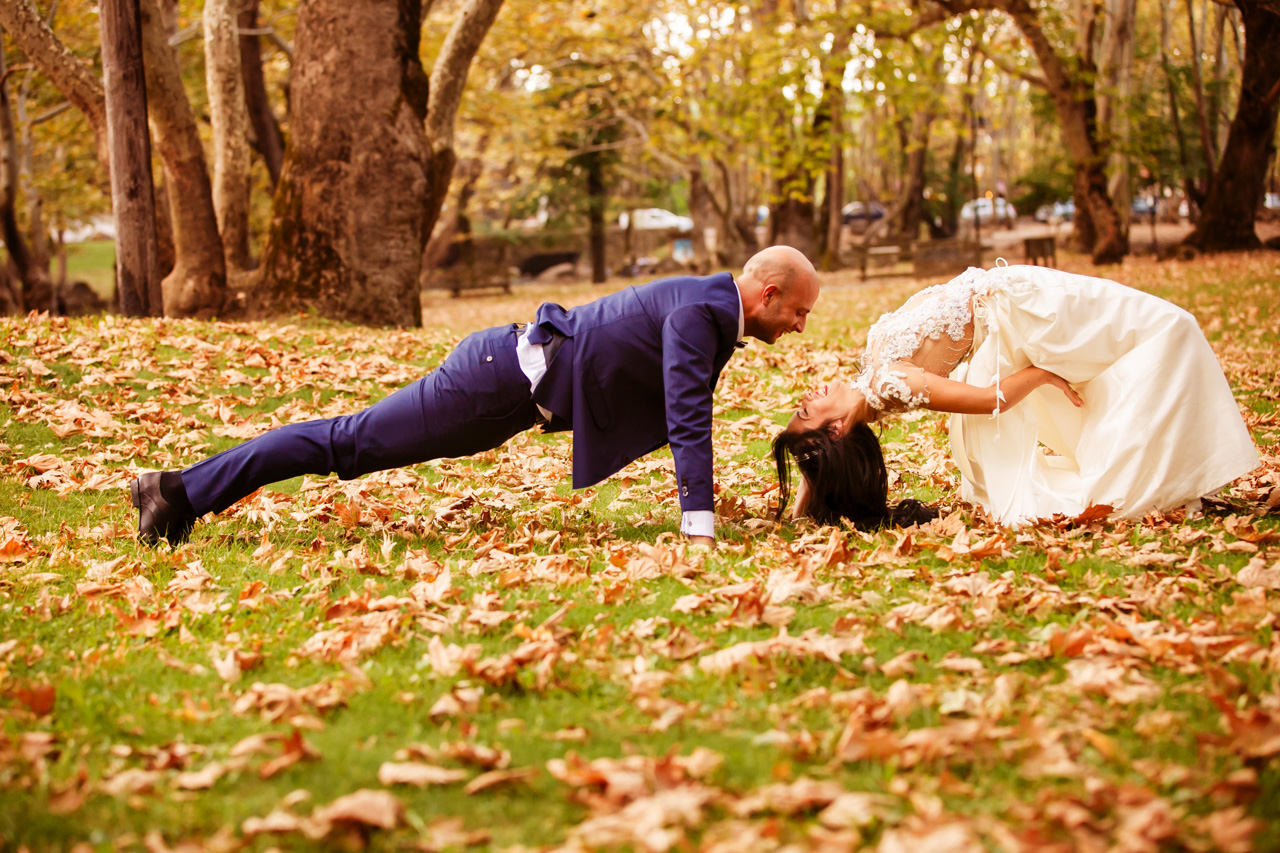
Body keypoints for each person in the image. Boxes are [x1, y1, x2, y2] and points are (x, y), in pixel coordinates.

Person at [132, 246, 820, 546]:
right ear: (767, 295)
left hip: (505, 389)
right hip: (494, 379)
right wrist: (697, 525)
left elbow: (683, 410)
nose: (799, 325)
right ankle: (176, 493)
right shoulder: (701, 315)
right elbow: (688, 418)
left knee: (351, 444)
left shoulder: (707, 309)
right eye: (798, 311)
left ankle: (179, 491)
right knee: (348, 443)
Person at [773, 264, 1258, 527]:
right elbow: (989, 400)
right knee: (1172, 327)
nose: (810, 394)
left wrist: (803, 507)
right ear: (835, 428)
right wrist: (1043, 373)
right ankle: (1181, 468)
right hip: (1031, 309)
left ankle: (1178, 462)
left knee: (1165, 329)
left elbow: (819, 461)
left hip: (1023, 293)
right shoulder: (888, 386)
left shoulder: (871, 378)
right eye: (806, 409)